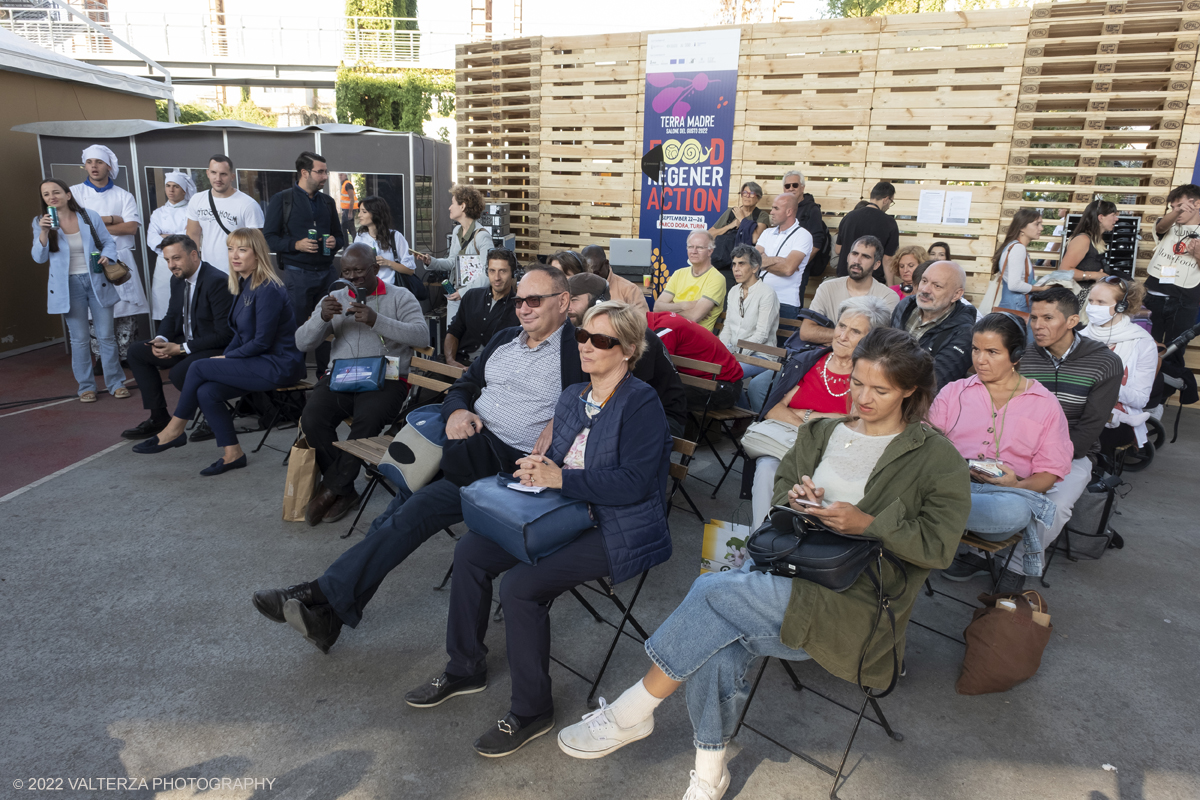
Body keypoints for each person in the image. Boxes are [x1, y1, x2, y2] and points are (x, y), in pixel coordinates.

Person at [556, 328, 971, 800]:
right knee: (717, 643)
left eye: (880, 390)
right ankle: (709, 772)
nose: (863, 397)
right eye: (857, 383)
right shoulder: (821, 430)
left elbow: (939, 547)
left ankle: (631, 713)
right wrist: (798, 498)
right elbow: (782, 491)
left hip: (854, 599)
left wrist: (867, 523)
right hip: (786, 568)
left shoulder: (936, 457)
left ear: (910, 391)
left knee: (713, 593)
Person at [251, 266, 583, 654]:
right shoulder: (506, 339)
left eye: (534, 300)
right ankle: (329, 618)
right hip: (457, 445)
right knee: (391, 517)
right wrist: (458, 412)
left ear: (563, 302)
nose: (523, 309)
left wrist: (564, 414)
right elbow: (465, 386)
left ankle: (317, 592)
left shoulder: (578, 350)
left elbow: (613, 387)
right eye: (519, 301)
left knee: (413, 512)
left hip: (501, 467)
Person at [406, 301, 673, 757]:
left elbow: (637, 483)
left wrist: (561, 478)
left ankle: (532, 710)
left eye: (602, 341)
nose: (587, 347)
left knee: (522, 586)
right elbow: (561, 456)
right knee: (471, 551)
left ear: (628, 350)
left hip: (618, 526)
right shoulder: (573, 394)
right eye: (584, 337)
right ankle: (465, 666)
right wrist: (537, 468)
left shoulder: (641, 401)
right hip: (560, 511)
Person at [131, 228, 305, 476]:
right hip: (257, 361)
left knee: (198, 366)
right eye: (231, 249)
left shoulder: (269, 289)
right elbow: (237, 335)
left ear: (258, 254)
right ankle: (233, 454)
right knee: (207, 391)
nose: (235, 255)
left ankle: (174, 430)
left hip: (278, 364)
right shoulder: (242, 284)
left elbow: (261, 342)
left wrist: (227, 357)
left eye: (242, 250)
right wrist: (226, 356)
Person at [931, 313, 1073, 593]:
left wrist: (1016, 484)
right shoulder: (954, 391)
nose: (980, 360)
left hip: (1002, 497)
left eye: (992, 352)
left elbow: (1049, 474)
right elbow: (926, 443)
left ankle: (918, 511)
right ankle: (925, 508)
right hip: (948, 484)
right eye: (975, 349)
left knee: (1013, 513)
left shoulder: (1044, 404)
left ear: (1016, 355)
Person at [297, 243, 429, 525]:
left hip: (387, 378)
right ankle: (343, 489)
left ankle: (332, 488)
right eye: (347, 272)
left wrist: (376, 320)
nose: (353, 278)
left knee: (366, 422)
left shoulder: (399, 296)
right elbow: (301, 342)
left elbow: (421, 336)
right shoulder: (334, 297)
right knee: (312, 418)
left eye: (359, 271)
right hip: (341, 376)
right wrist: (321, 318)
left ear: (375, 269)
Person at [749, 296, 893, 523]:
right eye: (841, 326)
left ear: (871, 340)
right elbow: (773, 410)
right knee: (767, 467)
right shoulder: (807, 361)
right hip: (789, 444)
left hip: (837, 454)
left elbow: (856, 422)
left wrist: (804, 414)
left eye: (855, 332)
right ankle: (760, 545)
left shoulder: (868, 376)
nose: (842, 336)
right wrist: (817, 425)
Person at [1018, 287, 1123, 588]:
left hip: (1073, 453)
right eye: (1034, 317)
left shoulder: (1104, 362)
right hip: (1018, 447)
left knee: (1057, 505)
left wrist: (1044, 464)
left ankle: (1016, 565)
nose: (1038, 325)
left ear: (1072, 320)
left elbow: (1090, 428)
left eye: (1048, 318)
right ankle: (977, 551)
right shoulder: (1023, 357)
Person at [121, 235, 234, 440]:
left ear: (193, 255)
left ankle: (213, 416)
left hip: (214, 347)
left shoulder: (217, 281)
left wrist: (181, 349)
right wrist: (161, 339)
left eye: (176, 258)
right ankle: (158, 417)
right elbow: (172, 315)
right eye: (167, 260)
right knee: (137, 352)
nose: (171, 265)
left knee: (180, 373)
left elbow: (225, 335)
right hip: (187, 344)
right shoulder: (178, 279)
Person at [31, 179, 127, 402]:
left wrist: (108, 256)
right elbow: (38, 257)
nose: (51, 197)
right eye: (46, 194)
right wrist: (43, 232)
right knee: (80, 339)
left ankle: (116, 383)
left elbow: (108, 242)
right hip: (68, 285)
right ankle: (86, 387)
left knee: (106, 336)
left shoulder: (88, 216)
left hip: (96, 280)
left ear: (67, 195)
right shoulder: (40, 222)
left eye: (56, 192)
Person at [568, 273, 687, 437]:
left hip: (662, 416)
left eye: (574, 300)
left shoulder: (635, 338)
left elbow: (631, 400)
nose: (567, 306)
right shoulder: (581, 334)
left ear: (598, 302)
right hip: (617, 410)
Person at [263, 151, 345, 378]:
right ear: (304, 172)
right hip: (297, 275)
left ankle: (326, 377)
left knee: (330, 324)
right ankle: (293, 381)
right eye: (320, 172)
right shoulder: (283, 199)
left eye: (325, 171)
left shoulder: (327, 202)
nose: (325, 176)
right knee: (297, 328)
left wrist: (334, 242)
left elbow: (341, 237)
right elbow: (268, 238)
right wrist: (295, 244)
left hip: (327, 274)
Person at [70, 145, 151, 362]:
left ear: (108, 165)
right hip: (90, 258)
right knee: (95, 308)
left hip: (119, 258)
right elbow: (75, 226)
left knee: (124, 309)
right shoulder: (75, 192)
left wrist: (93, 223)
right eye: (89, 162)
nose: (94, 166)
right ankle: (101, 358)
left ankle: (127, 357)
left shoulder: (124, 196)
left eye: (99, 162)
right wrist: (113, 219)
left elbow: (131, 228)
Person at [1081, 277, 1157, 448]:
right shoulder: (1079, 337)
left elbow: (1140, 400)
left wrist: (1105, 386)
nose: (1093, 307)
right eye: (1091, 301)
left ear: (1121, 306)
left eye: (1101, 302)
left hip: (1116, 418)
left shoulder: (1142, 342)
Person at [412, 184, 493, 324]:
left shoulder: (482, 237)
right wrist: (430, 261)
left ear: (463, 206)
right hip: (455, 296)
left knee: (470, 340)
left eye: (452, 203)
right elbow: (451, 262)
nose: (449, 207)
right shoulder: (457, 232)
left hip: (473, 298)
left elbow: (488, 275)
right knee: (452, 336)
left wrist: (462, 293)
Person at [890, 260, 975, 390]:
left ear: (956, 295)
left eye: (937, 286)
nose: (925, 289)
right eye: (924, 281)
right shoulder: (906, 305)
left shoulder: (964, 332)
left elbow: (936, 381)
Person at [801, 236, 899, 346]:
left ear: (876, 265)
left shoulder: (888, 297)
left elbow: (876, 342)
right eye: (855, 254)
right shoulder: (827, 288)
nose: (857, 261)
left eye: (865, 256)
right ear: (848, 257)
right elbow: (806, 332)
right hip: (825, 357)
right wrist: (854, 336)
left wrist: (828, 337)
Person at [718, 245, 779, 403]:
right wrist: (719, 351)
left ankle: (745, 417)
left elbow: (762, 334)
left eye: (741, 264)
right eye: (734, 264)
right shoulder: (733, 291)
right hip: (736, 353)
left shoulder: (767, 293)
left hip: (762, 355)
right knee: (714, 370)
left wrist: (735, 355)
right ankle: (743, 415)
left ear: (755, 268)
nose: (736, 269)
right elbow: (727, 329)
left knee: (729, 374)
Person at [647, 310, 743, 410]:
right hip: (705, 380)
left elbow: (658, 372)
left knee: (654, 394)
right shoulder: (659, 318)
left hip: (724, 386)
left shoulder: (663, 330)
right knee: (654, 391)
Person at [1144, 184, 1200, 354]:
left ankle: (1170, 380)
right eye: (1173, 207)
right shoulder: (1168, 224)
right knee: (1146, 346)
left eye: (1181, 205)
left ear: (1197, 204)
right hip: (1154, 295)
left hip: (1185, 300)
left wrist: (1197, 255)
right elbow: (1160, 227)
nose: (1177, 210)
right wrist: (1176, 212)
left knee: (1175, 351)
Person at [186, 155, 265, 274]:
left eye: (223, 174)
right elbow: (193, 235)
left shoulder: (248, 205)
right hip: (208, 272)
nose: (218, 178)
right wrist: (195, 267)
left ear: (232, 176)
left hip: (238, 273)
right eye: (213, 172)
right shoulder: (197, 200)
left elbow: (257, 245)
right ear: (207, 173)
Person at [445, 248, 519, 365]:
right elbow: (454, 331)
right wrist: (450, 361)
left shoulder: (520, 307)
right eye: (492, 271)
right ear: (486, 272)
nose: (497, 277)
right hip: (460, 362)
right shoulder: (472, 296)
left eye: (503, 271)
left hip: (492, 371)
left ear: (513, 273)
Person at [755, 192, 813, 320]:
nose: (771, 212)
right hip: (759, 299)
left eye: (776, 208)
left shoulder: (803, 235)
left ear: (789, 212)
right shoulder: (767, 232)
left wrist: (763, 262)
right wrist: (778, 260)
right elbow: (753, 260)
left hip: (785, 303)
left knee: (782, 340)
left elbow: (787, 269)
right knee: (754, 340)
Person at [146, 171, 196, 321]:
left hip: (187, 263)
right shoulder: (158, 213)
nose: (171, 190)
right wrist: (178, 238)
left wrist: (166, 236)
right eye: (168, 186)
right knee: (164, 303)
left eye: (176, 186)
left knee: (187, 303)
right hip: (163, 264)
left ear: (184, 190)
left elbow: (191, 236)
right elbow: (151, 238)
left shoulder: (191, 212)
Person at [655, 231, 727, 331]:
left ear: (710, 251)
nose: (694, 251)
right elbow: (657, 307)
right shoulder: (678, 273)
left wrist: (669, 309)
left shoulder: (716, 278)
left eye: (700, 247)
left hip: (695, 338)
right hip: (670, 331)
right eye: (690, 247)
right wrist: (685, 305)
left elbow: (694, 317)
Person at [835, 182, 899, 282]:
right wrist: (891, 287)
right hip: (871, 281)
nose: (889, 206)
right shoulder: (889, 223)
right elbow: (887, 260)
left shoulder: (848, 217)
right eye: (891, 202)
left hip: (845, 277)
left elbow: (838, 249)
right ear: (886, 199)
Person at [784, 170, 830, 302]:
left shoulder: (812, 209)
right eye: (787, 186)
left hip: (799, 270)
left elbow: (817, 242)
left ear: (802, 187)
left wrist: (800, 264)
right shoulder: (783, 208)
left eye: (795, 185)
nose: (791, 188)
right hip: (780, 267)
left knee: (793, 304)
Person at [992, 209, 1048, 316]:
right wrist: (1042, 289)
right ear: (1022, 227)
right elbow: (1014, 285)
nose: (1041, 228)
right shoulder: (1018, 249)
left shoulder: (1012, 246)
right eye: (1037, 224)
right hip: (1017, 306)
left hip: (1012, 303)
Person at [353, 194, 417, 285]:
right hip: (367, 289)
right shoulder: (360, 237)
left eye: (364, 212)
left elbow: (410, 270)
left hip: (390, 290)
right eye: (359, 211)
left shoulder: (395, 236)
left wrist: (388, 262)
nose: (359, 215)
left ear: (376, 213)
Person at [1059, 199, 1118, 287]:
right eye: (1113, 215)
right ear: (1100, 217)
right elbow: (1064, 271)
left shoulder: (1096, 240)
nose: (1116, 219)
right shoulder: (1082, 239)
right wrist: (1095, 275)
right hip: (1075, 298)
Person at [581, 244, 649, 314]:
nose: (592, 277)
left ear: (606, 264)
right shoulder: (577, 287)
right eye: (587, 274)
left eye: (596, 273)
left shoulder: (630, 290)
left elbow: (643, 321)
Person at [709, 181, 768, 253]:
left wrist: (742, 219)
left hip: (746, 257)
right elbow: (709, 234)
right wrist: (730, 226)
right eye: (745, 192)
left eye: (752, 193)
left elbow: (755, 239)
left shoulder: (762, 215)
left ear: (758, 199)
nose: (747, 196)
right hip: (724, 256)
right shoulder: (732, 212)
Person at [338, 173, 359, 243]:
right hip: (347, 210)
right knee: (349, 228)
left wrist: (350, 213)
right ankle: (351, 245)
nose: (339, 177)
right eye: (339, 175)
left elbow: (352, 199)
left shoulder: (347, 184)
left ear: (345, 175)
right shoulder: (345, 184)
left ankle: (349, 246)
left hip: (349, 210)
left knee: (346, 228)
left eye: (341, 175)